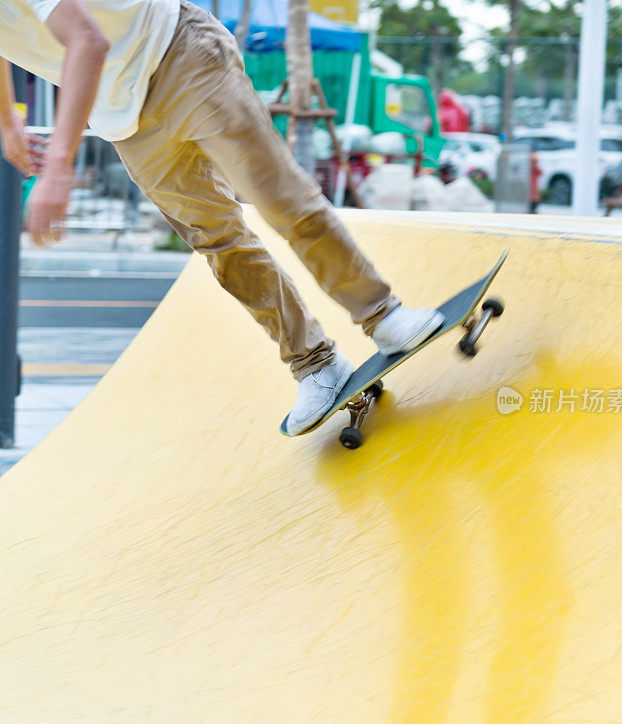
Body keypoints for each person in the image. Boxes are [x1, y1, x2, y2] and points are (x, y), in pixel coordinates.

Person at [0, 0, 443, 434]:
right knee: (219, 243)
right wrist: (7, 123)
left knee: (278, 199)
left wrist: (60, 165)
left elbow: (86, 40)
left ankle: (381, 315)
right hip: (124, 117)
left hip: (177, 51)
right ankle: (315, 363)